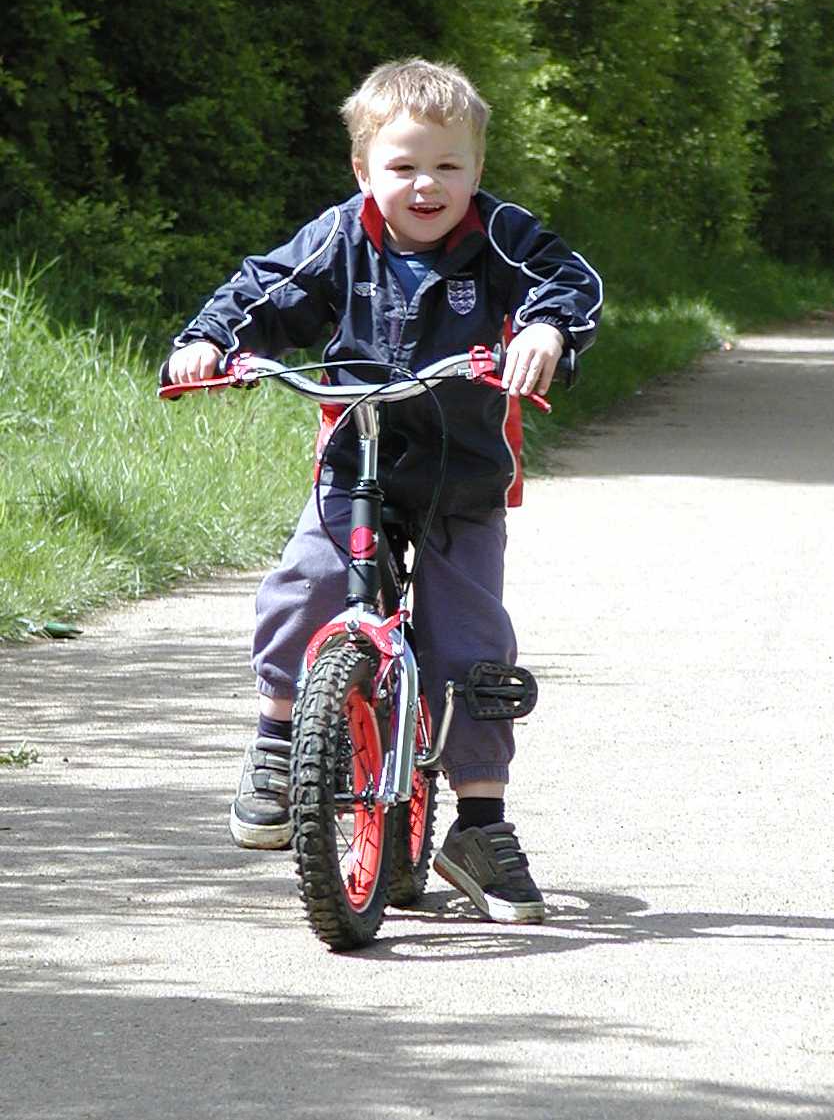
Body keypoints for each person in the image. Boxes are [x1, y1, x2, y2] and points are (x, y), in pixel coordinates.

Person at [164, 58, 602, 923]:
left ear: (477, 169)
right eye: (403, 166)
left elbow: (571, 282)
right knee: (303, 586)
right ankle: (281, 735)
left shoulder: (502, 236)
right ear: (365, 169)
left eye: (448, 166)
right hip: (356, 465)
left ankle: (480, 821)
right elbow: (263, 290)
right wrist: (210, 339)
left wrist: (547, 326)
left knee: (471, 648)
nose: (426, 184)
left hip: (461, 475)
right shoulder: (340, 237)